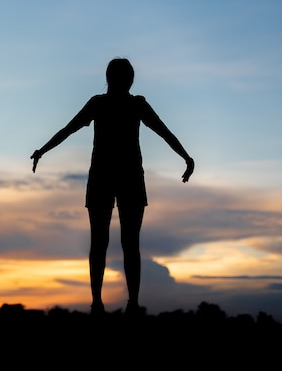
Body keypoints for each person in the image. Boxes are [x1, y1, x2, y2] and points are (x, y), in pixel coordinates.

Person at [31, 57, 194, 316]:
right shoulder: (114, 104)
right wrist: (43, 150)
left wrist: (186, 157)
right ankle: (114, 302)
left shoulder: (119, 104)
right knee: (120, 242)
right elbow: (68, 129)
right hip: (114, 179)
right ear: (126, 79)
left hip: (113, 178)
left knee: (108, 242)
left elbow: (164, 132)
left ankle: (114, 303)